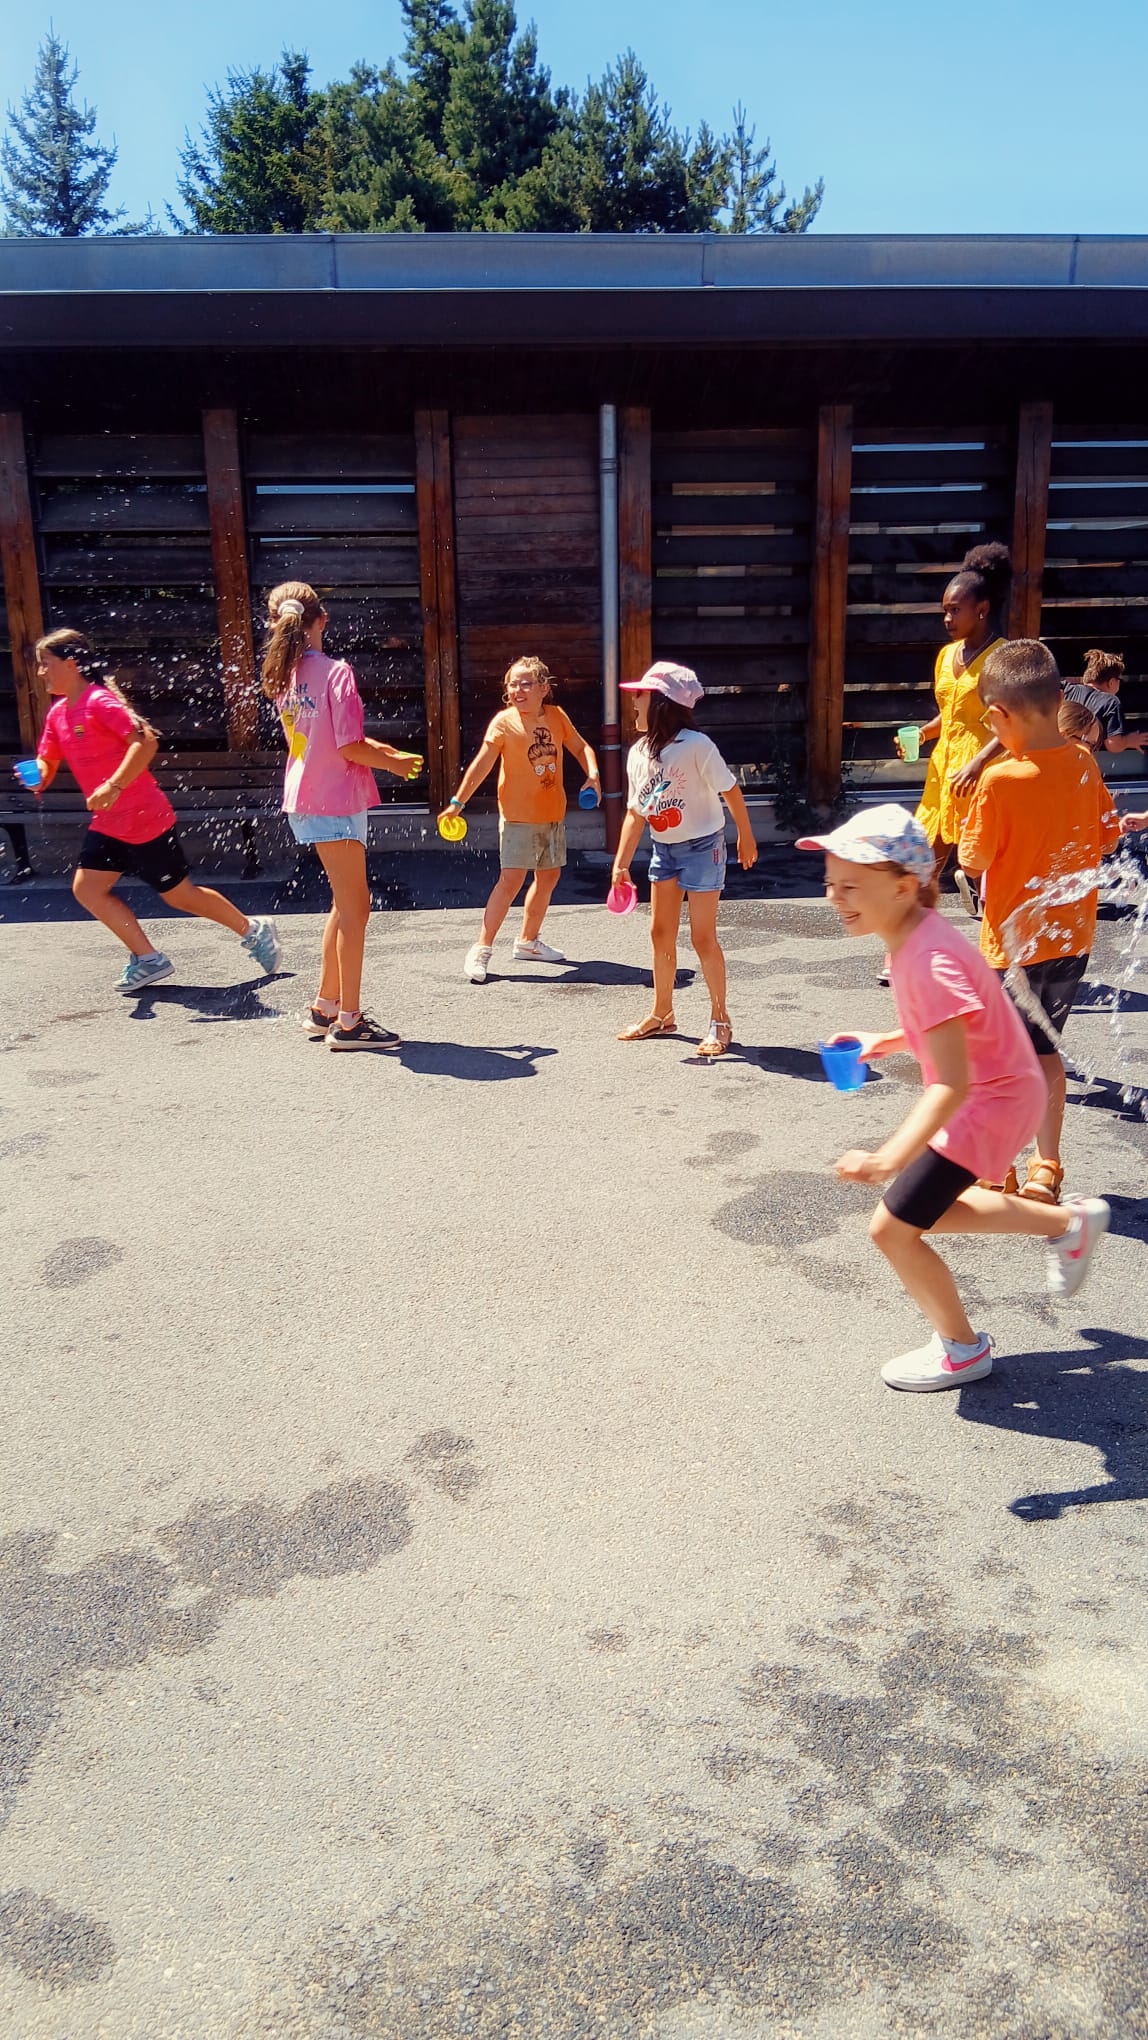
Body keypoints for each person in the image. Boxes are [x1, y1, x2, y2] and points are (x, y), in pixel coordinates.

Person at [796, 805, 1109, 1393]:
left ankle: (963, 1350)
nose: (835, 897)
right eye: (831, 883)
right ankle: (1068, 1223)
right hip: (1000, 1092)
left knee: (892, 1229)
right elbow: (958, 1024)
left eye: (851, 886)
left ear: (903, 886)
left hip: (992, 1100)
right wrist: (885, 1040)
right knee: (925, 1211)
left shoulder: (927, 959)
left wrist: (886, 1159)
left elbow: (951, 1083)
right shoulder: (914, 934)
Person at [958, 640, 1121, 1204]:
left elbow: (973, 860)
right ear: (1058, 699)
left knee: (998, 1058)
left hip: (1012, 950)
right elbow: (1106, 837)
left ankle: (997, 1163)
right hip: (1071, 940)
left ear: (1000, 715)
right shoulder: (1083, 762)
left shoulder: (999, 780)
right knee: (1045, 1051)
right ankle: (1046, 1168)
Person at [28, 629, 280, 991]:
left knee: (179, 896)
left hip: (144, 818)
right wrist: (37, 776)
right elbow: (47, 760)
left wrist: (113, 786)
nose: (40, 672)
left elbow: (145, 742)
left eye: (45, 663)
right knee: (87, 889)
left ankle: (254, 930)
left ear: (71, 664)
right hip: (109, 822)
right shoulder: (58, 714)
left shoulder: (99, 702)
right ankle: (149, 959)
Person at [261, 582, 422, 1050]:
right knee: (356, 910)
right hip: (336, 802)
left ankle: (325, 1007)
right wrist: (393, 763)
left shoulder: (284, 675)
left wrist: (387, 753)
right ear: (322, 620)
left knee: (342, 903)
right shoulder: (337, 672)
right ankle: (350, 1023)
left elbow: (329, 739)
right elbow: (348, 744)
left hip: (308, 798)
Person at [610, 661, 757, 1057]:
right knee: (660, 933)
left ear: (661, 702)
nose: (633, 703)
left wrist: (745, 835)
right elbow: (635, 813)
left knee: (702, 936)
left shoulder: (697, 746)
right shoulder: (638, 753)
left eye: (640, 696)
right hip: (665, 849)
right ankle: (662, 1014)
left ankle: (720, 1019)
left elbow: (730, 790)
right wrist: (621, 864)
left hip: (704, 847)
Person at [439, 657, 600, 986]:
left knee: (548, 877)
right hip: (517, 817)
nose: (517, 690)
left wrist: (593, 775)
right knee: (511, 880)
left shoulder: (556, 716)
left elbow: (581, 747)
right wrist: (457, 803)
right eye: (512, 683)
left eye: (526, 683)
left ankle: (528, 942)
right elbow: (482, 764)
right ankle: (481, 948)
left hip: (552, 814)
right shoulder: (504, 722)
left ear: (544, 688)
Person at [900, 542, 1012, 883]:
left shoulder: (1002, 658)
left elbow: (1014, 723)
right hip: (943, 774)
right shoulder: (946, 656)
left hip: (981, 774)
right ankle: (920, 913)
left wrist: (978, 763)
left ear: (982, 609)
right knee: (921, 871)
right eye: (944, 611)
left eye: (955, 610)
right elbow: (951, 715)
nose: (947, 619)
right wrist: (923, 734)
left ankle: (988, 908)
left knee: (981, 869)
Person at [1062, 649, 1148, 757]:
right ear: (1111, 682)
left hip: (1057, 747)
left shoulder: (1067, 688)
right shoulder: (1111, 702)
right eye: (1119, 680)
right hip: (1081, 755)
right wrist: (1128, 741)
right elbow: (1113, 744)